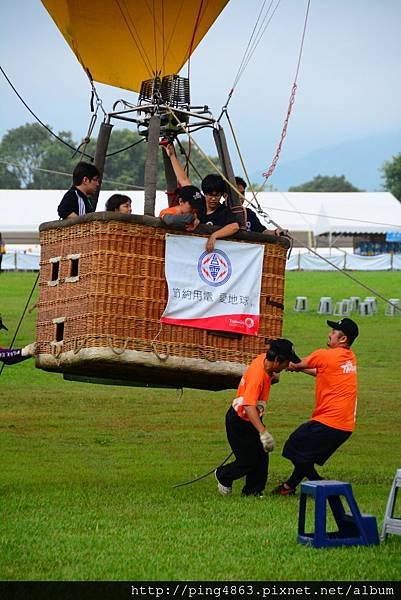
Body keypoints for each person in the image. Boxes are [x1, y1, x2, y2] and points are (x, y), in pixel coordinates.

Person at [272, 317, 359, 496]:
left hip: (329, 422)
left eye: (334, 332)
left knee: (292, 448)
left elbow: (296, 362)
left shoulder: (326, 355)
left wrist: (286, 357)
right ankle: (288, 488)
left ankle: (323, 487)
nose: (330, 334)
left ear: (343, 339)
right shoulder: (349, 358)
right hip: (345, 425)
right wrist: (298, 368)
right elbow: (321, 371)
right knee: (306, 456)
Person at [215, 339, 301, 497]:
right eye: (286, 362)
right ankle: (223, 475)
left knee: (262, 456)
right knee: (247, 461)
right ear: (276, 360)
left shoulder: (266, 360)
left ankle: (253, 492)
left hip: (251, 419)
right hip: (239, 421)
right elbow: (248, 406)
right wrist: (263, 432)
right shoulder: (258, 375)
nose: (287, 366)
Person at [162, 143, 240, 251]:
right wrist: (172, 156)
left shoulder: (223, 212)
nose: (213, 199)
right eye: (209, 195)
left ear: (222, 195)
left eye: (217, 195)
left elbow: (234, 226)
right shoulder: (198, 203)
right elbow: (184, 180)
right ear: (204, 193)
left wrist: (214, 236)